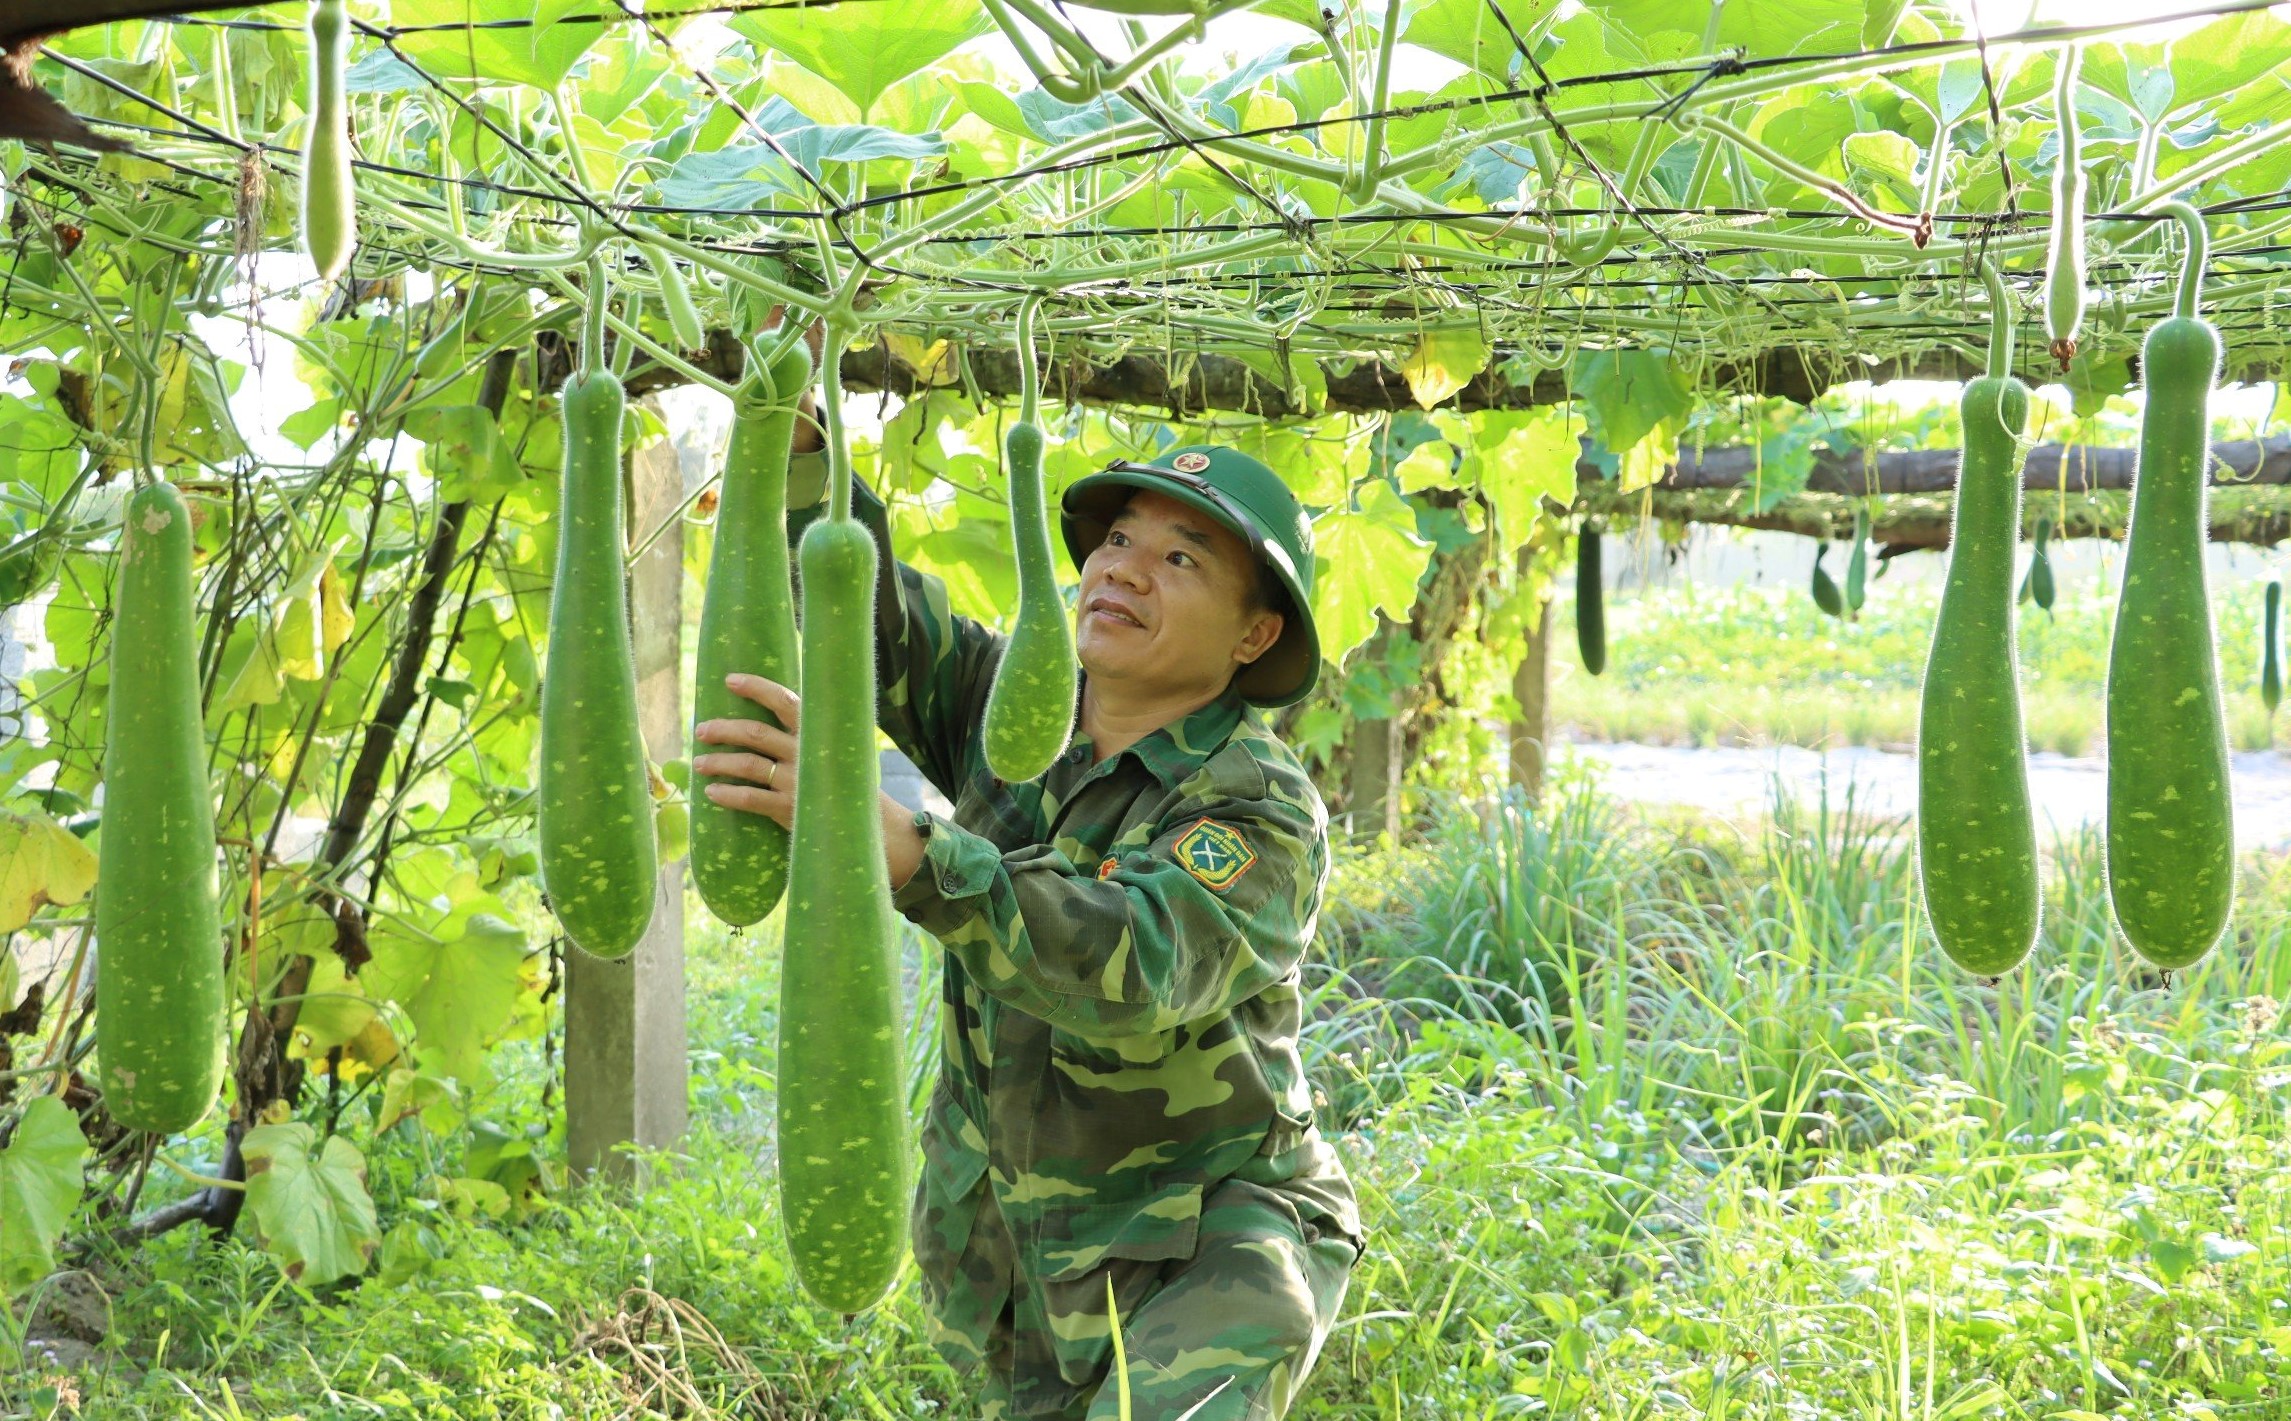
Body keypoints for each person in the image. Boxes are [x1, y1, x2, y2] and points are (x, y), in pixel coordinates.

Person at [692, 353, 1361, 1420]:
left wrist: (916, 850)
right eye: (1115, 540)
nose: (1123, 570)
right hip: (1015, 1255)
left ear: (1253, 633)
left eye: (1180, 557)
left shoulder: (1261, 807)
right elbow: (870, 610)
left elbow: (1133, 959)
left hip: (1212, 1244)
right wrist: (796, 433)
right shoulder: (1014, 714)